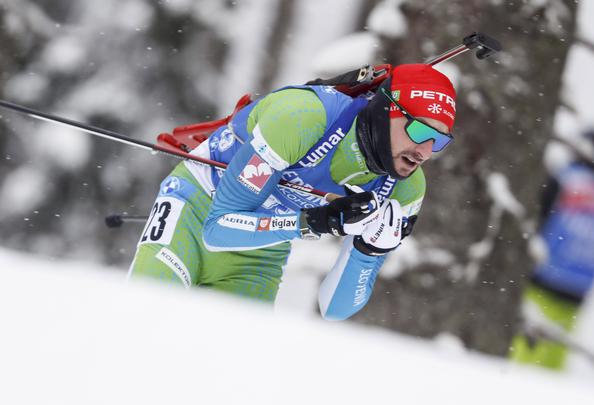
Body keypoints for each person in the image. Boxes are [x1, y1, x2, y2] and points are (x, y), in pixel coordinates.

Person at [128, 64, 457, 320]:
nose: (425, 151)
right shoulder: (302, 117)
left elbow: (334, 309)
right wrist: (314, 222)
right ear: (387, 111)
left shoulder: (406, 189)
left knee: (228, 373)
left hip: (259, 250)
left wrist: (367, 252)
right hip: (197, 205)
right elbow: (217, 230)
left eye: (439, 141)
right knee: (146, 322)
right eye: (419, 130)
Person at [511, 129, 594, 369]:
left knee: (522, 355)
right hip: (580, 284)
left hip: (544, 276)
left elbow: (539, 219)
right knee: (553, 358)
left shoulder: (566, 179)